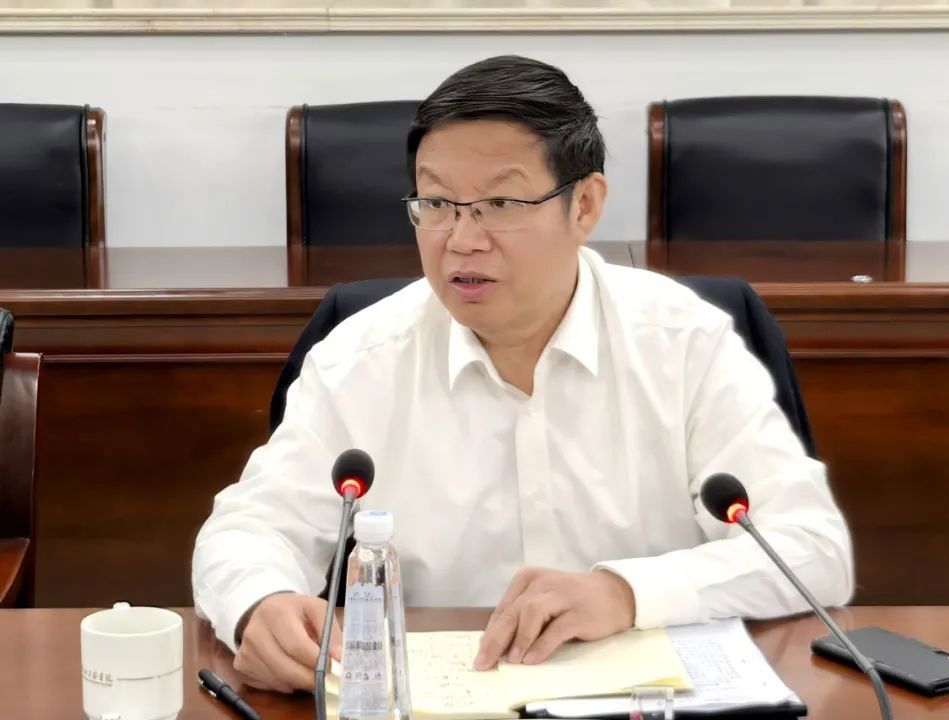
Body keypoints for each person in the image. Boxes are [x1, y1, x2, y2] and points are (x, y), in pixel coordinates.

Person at [192, 54, 853, 694]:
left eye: (501, 203)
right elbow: (248, 531)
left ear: (584, 205)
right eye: (437, 203)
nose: (461, 239)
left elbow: (813, 548)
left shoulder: (686, 345)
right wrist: (261, 603)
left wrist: (625, 593)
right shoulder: (359, 361)